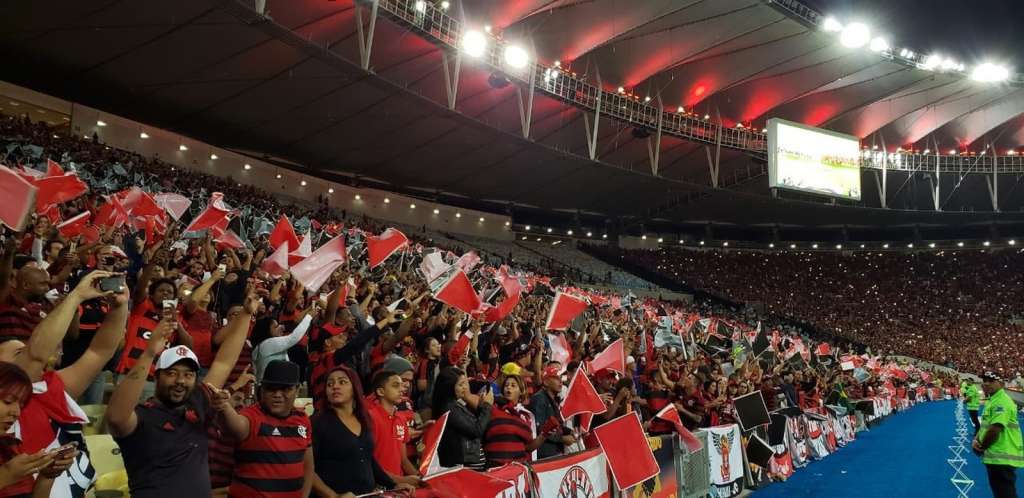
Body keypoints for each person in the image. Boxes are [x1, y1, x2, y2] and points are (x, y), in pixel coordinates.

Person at [105, 294, 255, 498]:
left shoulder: (198, 404)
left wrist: (246, 313)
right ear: (157, 377)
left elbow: (224, 363)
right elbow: (115, 417)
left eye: (188, 374)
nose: (181, 381)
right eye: (172, 373)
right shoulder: (141, 417)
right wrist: (149, 354)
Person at [212, 359, 313, 498]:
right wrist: (223, 407)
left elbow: (308, 465)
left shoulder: (303, 419)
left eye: (285, 389)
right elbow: (235, 425)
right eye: (271, 388)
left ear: (297, 390)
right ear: (262, 390)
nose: (277, 394)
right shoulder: (251, 416)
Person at [311, 365, 412, 496]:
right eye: (330, 384)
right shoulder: (317, 422)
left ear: (355, 388)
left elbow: (367, 459)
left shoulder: (363, 420)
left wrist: (394, 484)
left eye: (342, 382)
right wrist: (333, 496)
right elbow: (306, 468)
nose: (335, 386)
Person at [972, 372, 1023, 498]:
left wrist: (981, 446)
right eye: (984, 380)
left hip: (1002, 456)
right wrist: (976, 439)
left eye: (991, 380)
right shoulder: (993, 399)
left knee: (1005, 494)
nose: (986, 383)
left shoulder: (1001, 401)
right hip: (997, 455)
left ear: (1001, 383)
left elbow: (995, 429)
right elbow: (986, 426)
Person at [483, 373, 551, 467]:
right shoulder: (493, 408)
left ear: (521, 391)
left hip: (517, 469)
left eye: (513, 385)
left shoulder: (527, 416)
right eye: (506, 385)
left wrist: (544, 434)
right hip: (495, 468)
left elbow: (528, 446)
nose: (508, 388)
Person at [365, 369, 420, 485]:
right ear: (380, 391)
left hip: (398, 487)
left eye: (401, 385)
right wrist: (402, 480)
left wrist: (420, 478)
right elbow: (368, 462)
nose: (402, 389)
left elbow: (404, 460)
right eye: (395, 385)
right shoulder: (370, 418)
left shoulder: (401, 419)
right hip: (378, 487)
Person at [431, 366, 492, 470]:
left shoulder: (455, 405)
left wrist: (481, 407)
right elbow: (476, 430)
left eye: (465, 383)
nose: (465, 388)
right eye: (460, 384)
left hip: (471, 465)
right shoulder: (449, 408)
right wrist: (487, 406)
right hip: (465, 466)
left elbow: (474, 425)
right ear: (449, 387)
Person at [529, 365, 574, 458]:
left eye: (561, 378)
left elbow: (555, 426)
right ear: (545, 382)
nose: (561, 382)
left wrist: (570, 432)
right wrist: (562, 439)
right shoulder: (539, 399)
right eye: (556, 378)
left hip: (553, 452)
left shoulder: (553, 400)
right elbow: (540, 428)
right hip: (544, 454)